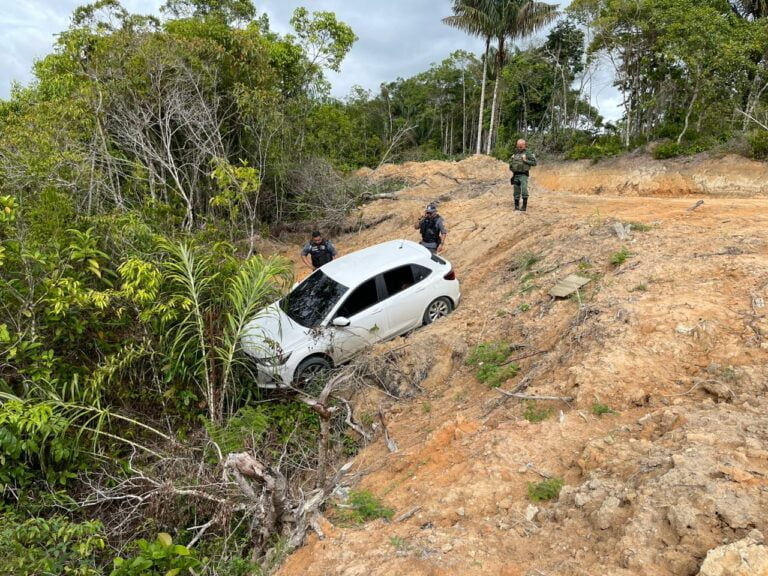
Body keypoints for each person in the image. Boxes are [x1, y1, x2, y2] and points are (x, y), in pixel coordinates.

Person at [508, 139, 538, 212]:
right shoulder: (515, 153)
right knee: (516, 191)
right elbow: (510, 163)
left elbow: (534, 163)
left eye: (521, 146)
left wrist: (525, 160)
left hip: (523, 175)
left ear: (524, 145)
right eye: (518, 146)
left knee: (524, 190)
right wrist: (511, 160)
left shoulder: (528, 153)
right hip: (515, 175)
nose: (519, 147)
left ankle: (524, 207)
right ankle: (516, 207)